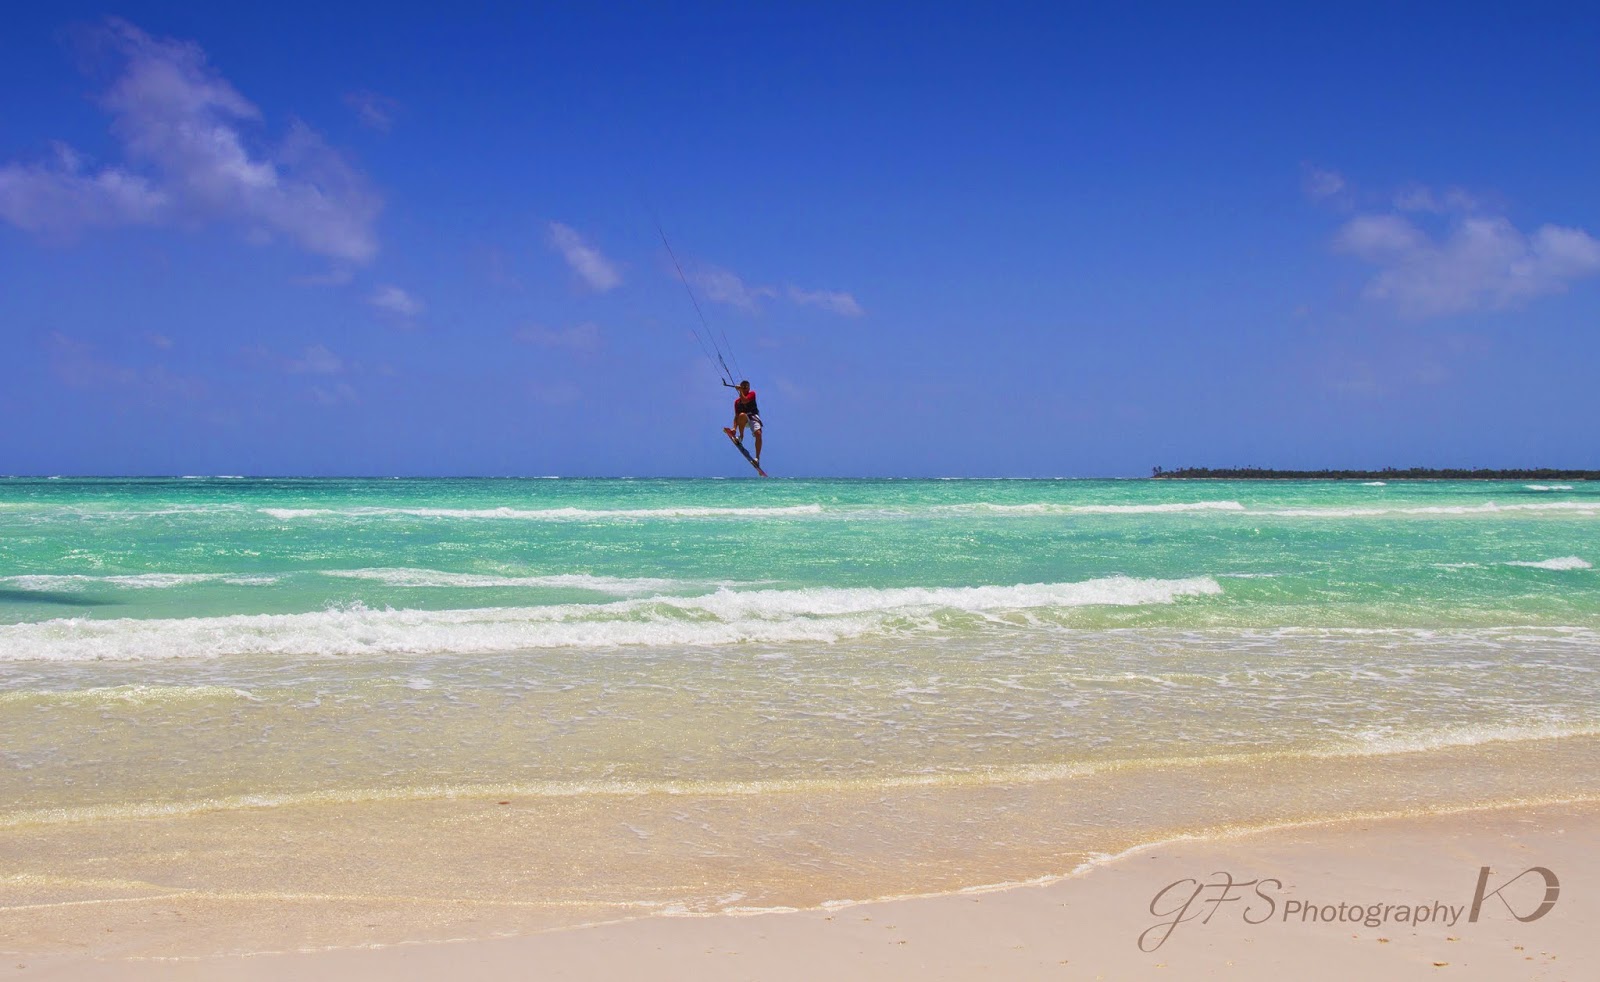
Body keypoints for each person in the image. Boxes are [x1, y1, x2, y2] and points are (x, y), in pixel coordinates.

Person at [724, 379, 763, 465]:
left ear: (749, 388)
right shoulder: (737, 402)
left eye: (746, 387)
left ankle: (757, 458)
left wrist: (740, 390)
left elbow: (745, 400)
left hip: (753, 417)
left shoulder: (752, 394)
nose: (745, 388)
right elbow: (736, 416)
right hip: (744, 419)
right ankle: (741, 437)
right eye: (743, 386)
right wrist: (734, 428)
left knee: (758, 434)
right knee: (741, 415)